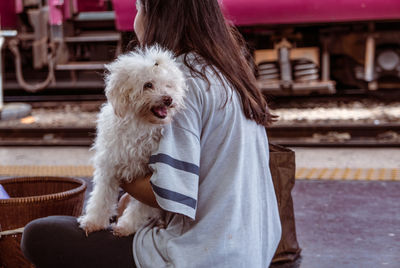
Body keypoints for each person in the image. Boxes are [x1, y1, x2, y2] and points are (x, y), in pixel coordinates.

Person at [21, 0, 282, 267]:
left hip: (199, 254)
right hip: (252, 248)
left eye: (138, 9)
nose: (136, 19)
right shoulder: (226, 72)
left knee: (38, 235)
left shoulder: (183, 80)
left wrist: (114, 169)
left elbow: (166, 196)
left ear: (158, 16)